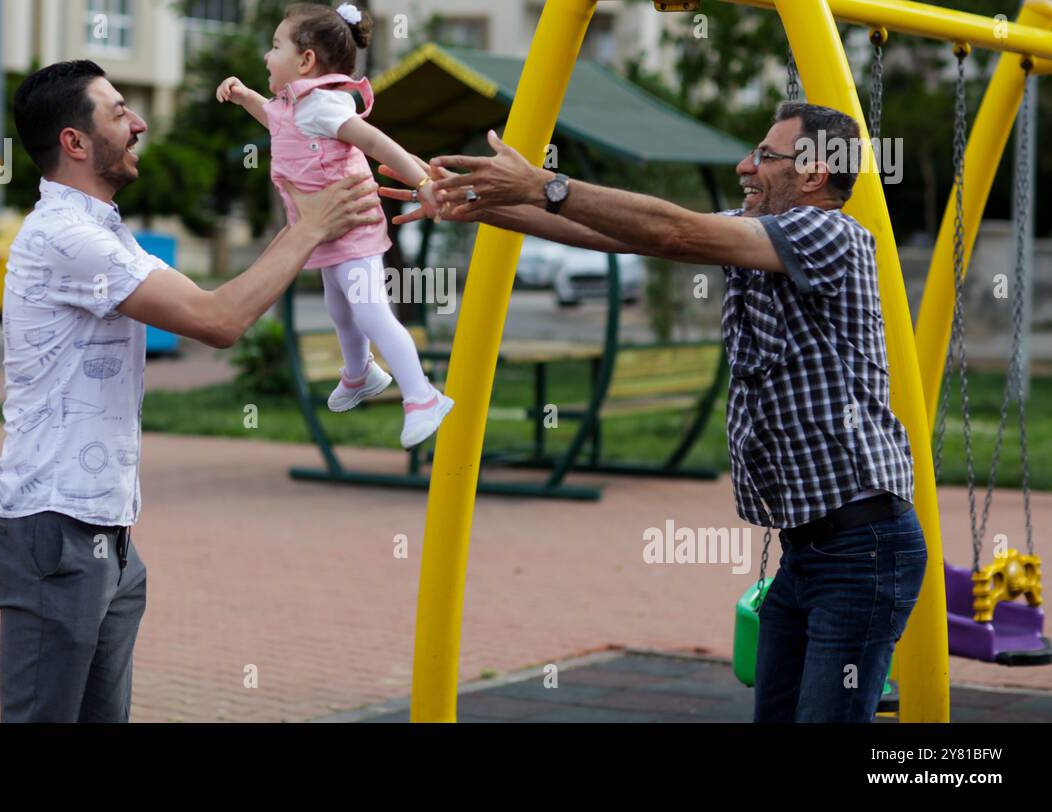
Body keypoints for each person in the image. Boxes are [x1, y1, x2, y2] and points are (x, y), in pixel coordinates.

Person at [381, 101, 927, 723]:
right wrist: (475, 204)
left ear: (813, 173)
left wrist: (546, 184)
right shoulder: (756, 232)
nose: (746, 166)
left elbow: (674, 230)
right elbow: (615, 232)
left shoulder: (831, 234)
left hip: (863, 546)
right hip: (810, 552)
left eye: (766, 156)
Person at [0, 59, 380, 722]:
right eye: (117, 113)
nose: (137, 124)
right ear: (74, 143)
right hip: (51, 529)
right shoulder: (65, 238)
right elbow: (217, 319)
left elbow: (206, 302)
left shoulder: (102, 230)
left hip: (104, 534)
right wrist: (310, 227)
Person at [216, 2, 454, 449]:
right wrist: (249, 97)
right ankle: (361, 372)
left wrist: (421, 181)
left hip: (353, 226)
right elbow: (277, 122)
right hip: (328, 229)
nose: (267, 56)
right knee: (339, 308)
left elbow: (376, 141)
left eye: (275, 46)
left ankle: (423, 396)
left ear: (305, 61)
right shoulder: (296, 107)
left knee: (369, 311)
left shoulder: (323, 106)